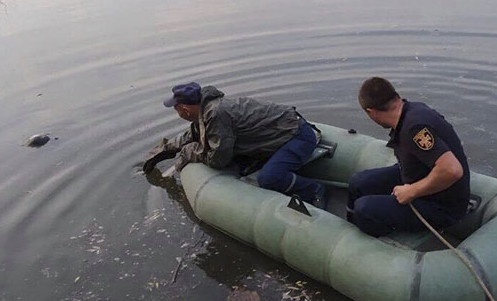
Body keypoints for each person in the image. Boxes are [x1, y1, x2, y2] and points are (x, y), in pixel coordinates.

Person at [143, 82, 325, 208]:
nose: (178, 114)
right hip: (278, 134)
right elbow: (191, 137)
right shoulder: (206, 112)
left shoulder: (216, 115)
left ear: (185, 109)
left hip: (295, 135)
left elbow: (218, 159)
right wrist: (161, 152)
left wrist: (189, 152)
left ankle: (314, 189)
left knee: (269, 178)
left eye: (177, 110)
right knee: (246, 165)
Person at [348, 77, 470, 237]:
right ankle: (349, 226)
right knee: (359, 181)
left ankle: (380, 242)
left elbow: (452, 170)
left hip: (442, 206)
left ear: (371, 112)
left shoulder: (414, 128)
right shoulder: (411, 110)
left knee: (364, 209)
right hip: (423, 176)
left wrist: (412, 191)